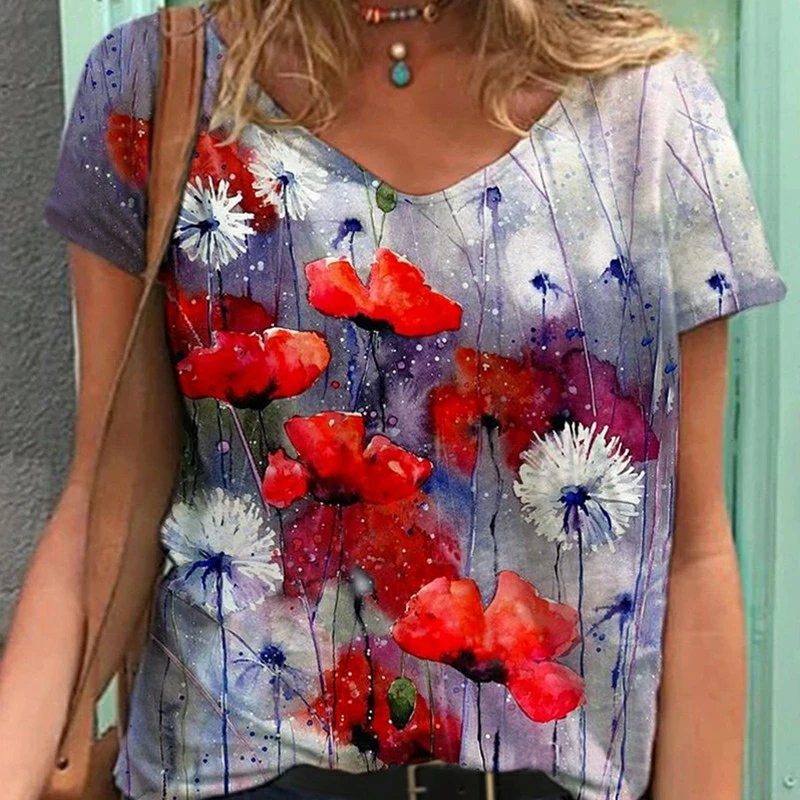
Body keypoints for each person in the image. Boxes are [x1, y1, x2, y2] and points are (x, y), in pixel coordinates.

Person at [0, 0, 788, 798]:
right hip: (238, 772)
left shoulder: (649, 105)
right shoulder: (159, 86)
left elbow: (693, 548)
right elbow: (109, 495)